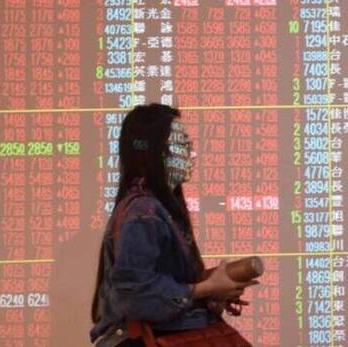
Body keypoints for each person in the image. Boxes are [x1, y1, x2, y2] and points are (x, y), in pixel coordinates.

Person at [90, 103, 257, 346]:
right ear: (156, 151)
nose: (192, 154)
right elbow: (135, 296)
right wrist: (206, 288)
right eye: (182, 145)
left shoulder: (157, 208)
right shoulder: (143, 212)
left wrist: (210, 294)